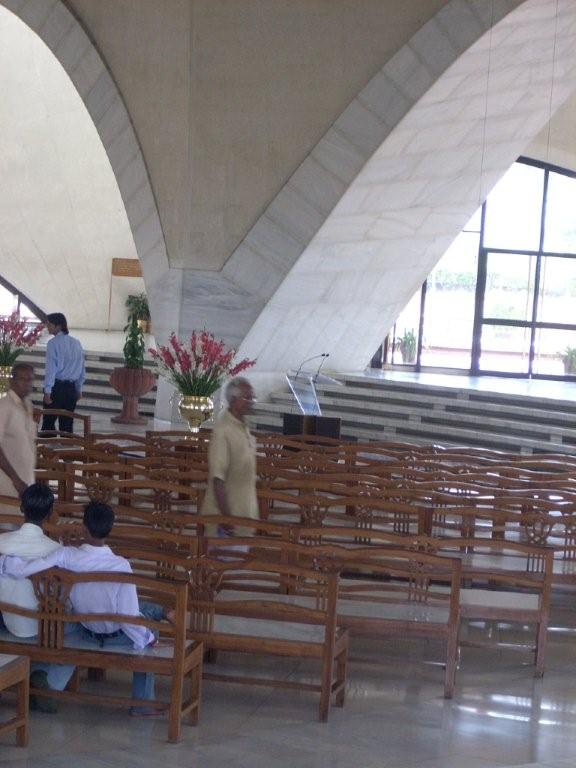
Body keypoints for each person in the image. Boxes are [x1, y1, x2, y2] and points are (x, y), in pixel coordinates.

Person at [0, 501, 170, 716]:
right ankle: (143, 704)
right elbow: (128, 617)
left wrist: (6, 563)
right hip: (113, 635)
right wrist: (148, 639)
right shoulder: (120, 565)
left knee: (65, 627)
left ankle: (47, 682)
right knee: (147, 629)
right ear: (109, 529)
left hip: (81, 629)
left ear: (84, 528)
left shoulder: (67, 555)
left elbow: (27, 569)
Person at [0, 483, 74, 712]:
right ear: (51, 512)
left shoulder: (2, 542)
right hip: (42, 628)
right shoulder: (53, 549)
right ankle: (48, 683)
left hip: (6, 620)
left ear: (22, 508)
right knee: (75, 629)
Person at [201, 376, 258, 538]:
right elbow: (218, 479)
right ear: (233, 400)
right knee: (224, 563)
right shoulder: (223, 430)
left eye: (253, 397)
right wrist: (227, 520)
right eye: (247, 397)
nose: (252, 401)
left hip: (243, 514)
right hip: (227, 522)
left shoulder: (242, 426)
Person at [41, 312, 85, 434]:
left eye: (49, 324)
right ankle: (66, 452)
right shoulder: (77, 343)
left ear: (58, 326)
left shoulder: (53, 343)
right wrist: (79, 388)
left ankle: (47, 451)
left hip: (57, 388)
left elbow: (51, 370)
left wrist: (47, 391)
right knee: (67, 425)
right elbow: (82, 368)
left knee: (48, 423)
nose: (47, 327)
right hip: (71, 389)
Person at [0, 363, 36, 508]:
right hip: (8, 481)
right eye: (23, 379)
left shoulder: (28, 404)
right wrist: (16, 480)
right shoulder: (4, 406)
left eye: (30, 379)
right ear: (12, 380)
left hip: (26, 478)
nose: (28, 384)